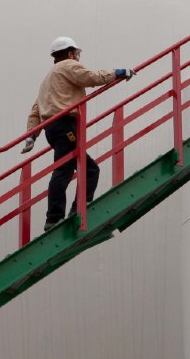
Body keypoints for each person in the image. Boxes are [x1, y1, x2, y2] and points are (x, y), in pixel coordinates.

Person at [22, 36, 134, 228]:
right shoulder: (68, 66)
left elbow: (36, 109)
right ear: (70, 52)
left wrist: (32, 135)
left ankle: (76, 209)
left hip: (52, 128)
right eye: (76, 53)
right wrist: (117, 73)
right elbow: (91, 77)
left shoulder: (48, 78)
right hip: (66, 125)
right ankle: (56, 217)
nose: (77, 57)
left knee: (88, 169)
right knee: (64, 171)